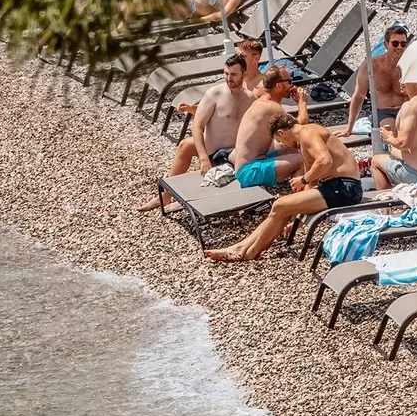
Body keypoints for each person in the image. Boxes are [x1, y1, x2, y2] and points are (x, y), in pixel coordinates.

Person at [203, 119, 364, 262]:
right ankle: (244, 248)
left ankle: (248, 252)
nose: (284, 145)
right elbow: (312, 185)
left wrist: (303, 179)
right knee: (281, 206)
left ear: (281, 132)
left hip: (345, 187)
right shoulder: (303, 143)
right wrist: (297, 220)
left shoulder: (307, 132)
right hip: (336, 188)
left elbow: (325, 161)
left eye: (280, 140)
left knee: (280, 205)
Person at [139, 46, 261, 210]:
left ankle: (187, 198)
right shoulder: (215, 93)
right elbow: (197, 126)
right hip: (211, 150)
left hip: (232, 154)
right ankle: (166, 196)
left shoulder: (251, 99)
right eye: (225, 73)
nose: (228, 78)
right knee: (185, 146)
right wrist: (203, 157)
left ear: (244, 75)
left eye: (233, 74)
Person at [228, 66, 312, 191]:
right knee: (304, 158)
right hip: (249, 172)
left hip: (248, 163)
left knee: (297, 149)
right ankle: (297, 198)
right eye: (289, 81)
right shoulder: (272, 107)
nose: (292, 85)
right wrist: (302, 103)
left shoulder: (263, 101)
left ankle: (296, 185)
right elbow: (299, 129)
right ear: (279, 86)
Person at [347, 23, 417, 137]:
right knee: (391, 131)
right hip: (384, 112)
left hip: (406, 109)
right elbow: (358, 96)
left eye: (403, 44)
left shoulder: (410, 64)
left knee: (413, 132)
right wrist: (349, 128)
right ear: (386, 44)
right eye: (395, 43)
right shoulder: (371, 65)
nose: (399, 47)